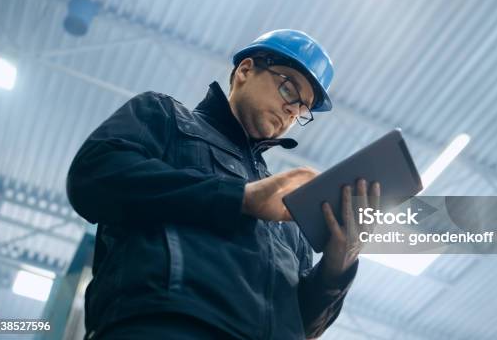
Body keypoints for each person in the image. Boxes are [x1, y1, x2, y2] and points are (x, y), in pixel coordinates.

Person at [67, 29, 380, 340]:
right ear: (245, 70)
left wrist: (337, 267)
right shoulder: (165, 116)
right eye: (288, 90)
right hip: (167, 325)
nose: (292, 110)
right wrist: (239, 198)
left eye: (302, 109)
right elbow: (93, 175)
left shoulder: (289, 211)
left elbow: (303, 325)